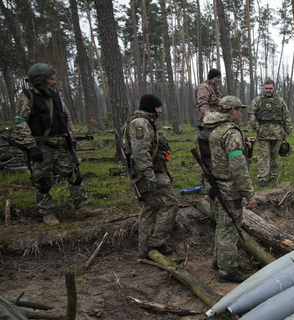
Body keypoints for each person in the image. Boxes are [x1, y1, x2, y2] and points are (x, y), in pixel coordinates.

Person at [11, 63, 102, 226]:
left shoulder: (54, 95)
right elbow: (20, 123)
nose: (55, 82)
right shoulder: (27, 97)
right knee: (42, 182)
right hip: (41, 147)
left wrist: (71, 136)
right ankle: (47, 213)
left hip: (61, 146)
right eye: (51, 79)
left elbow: (64, 118)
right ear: (40, 80)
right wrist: (31, 146)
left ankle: (82, 207)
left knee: (75, 177)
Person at [198, 95, 257, 283]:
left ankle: (218, 260)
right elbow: (238, 166)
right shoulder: (230, 132)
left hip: (212, 185)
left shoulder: (209, 127)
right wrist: (249, 193)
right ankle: (227, 270)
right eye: (240, 110)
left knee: (221, 226)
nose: (241, 114)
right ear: (232, 111)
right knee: (229, 229)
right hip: (228, 188)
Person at [122, 94, 178, 259]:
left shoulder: (143, 122)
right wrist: (149, 176)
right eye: (159, 107)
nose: (160, 110)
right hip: (147, 174)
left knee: (149, 209)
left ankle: (145, 250)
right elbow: (140, 152)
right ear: (152, 107)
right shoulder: (140, 124)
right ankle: (156, 243)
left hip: (146, 173)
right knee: (170, 203)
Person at [248, 79, 292, 187]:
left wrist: (288, 130)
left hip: (277, 134)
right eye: (266, 88)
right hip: (263, 134)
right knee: (263, 156)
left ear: (274, 89)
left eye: (270, 88)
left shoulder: (280, 101)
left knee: (274, 156)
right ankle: (262, 177)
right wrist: (257, 128)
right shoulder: (258, 100)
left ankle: (273, 176)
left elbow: (287, 115)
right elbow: (251, 114)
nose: (268, 90)